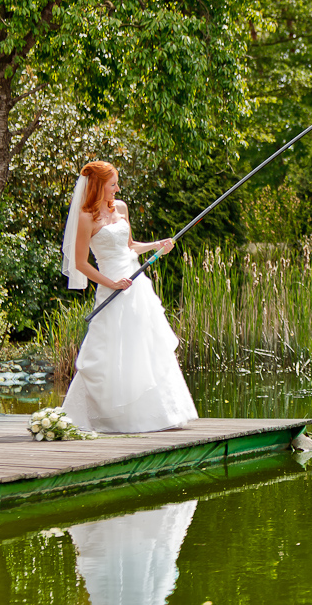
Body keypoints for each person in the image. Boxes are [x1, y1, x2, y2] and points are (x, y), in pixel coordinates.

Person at [60, 161, 198, 433]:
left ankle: (157, 415)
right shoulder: (86, 217)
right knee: (107, 349)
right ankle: (106, 417)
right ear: (98, 185)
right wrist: (111, 283)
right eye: (113, 184)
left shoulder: (120, 208)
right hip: (112, 286)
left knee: (144, 345)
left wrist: (159, 246)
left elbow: (131, 246)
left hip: (136, 285)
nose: (117, 188)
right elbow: (80, 263)